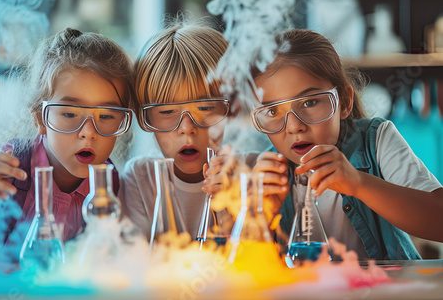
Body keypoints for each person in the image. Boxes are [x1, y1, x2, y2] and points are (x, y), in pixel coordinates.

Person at [204, 29, 443, 260]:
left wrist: (359, 184)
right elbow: (240, 273)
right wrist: (261, 213)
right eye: (273, 110)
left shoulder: (377, 140)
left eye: (309, 103)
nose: (294, 126)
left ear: (345, 102)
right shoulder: (262, 172)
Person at [0, 27, 134, 245]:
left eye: (107, 116)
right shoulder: (6, 167)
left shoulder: (109, 186)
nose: (89, 133)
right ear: (40, 119)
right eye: (70, 114)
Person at [119, 22, 232, 240]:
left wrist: (233, 203)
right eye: (168, 111)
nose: (187, 129)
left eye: (205, 109)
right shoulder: (141, 179)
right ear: (145, 118)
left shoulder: (250, 173)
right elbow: (141, 261)